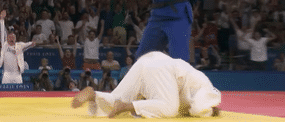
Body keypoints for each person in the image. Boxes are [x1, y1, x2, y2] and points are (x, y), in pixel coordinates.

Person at [72, 51, 220, 118]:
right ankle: (128, 106)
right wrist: (211, 112)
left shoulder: (199, 81)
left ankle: (93, 95)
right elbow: (199, 108)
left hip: (147, 61)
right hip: (161, 67)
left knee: (116, 98)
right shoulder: (207, 89)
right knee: (169, 108)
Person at [0, 10, 36, 84]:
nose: (11, 38)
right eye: (10, 37)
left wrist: (33, 43)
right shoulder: (5, 45)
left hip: (17, 74)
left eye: (13, 37)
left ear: (15, 38)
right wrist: (2, 21)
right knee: (5, 93)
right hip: (7, 74)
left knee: (19, 93)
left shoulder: (19, 45)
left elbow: (29, 44)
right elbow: (2, 33)